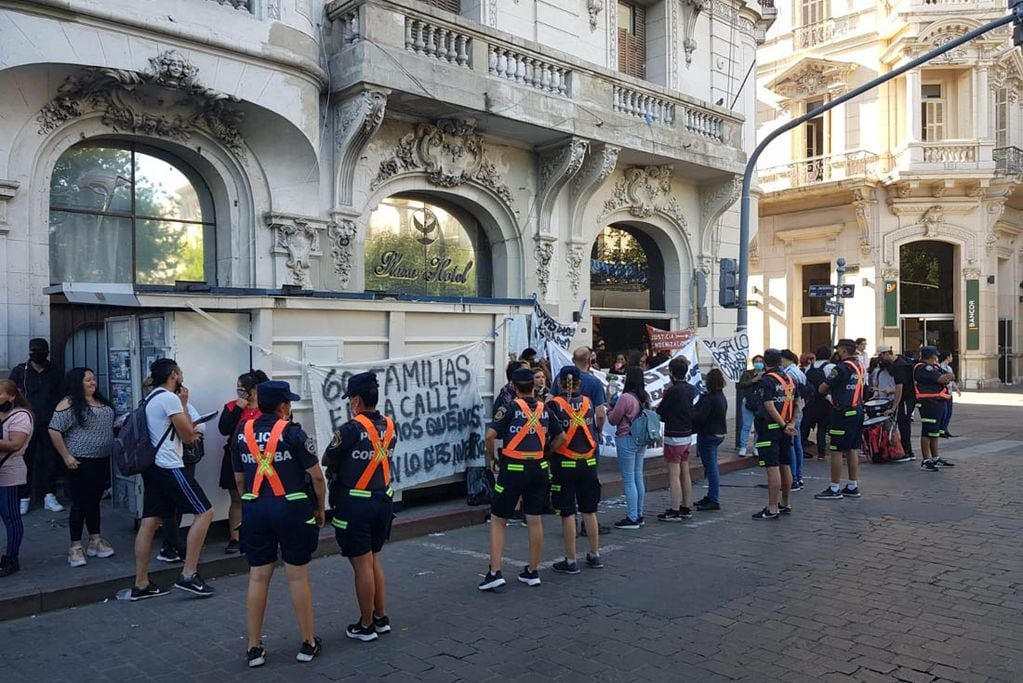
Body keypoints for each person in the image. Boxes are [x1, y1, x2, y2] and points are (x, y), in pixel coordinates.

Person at [234, 380, 325, 667]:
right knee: (297, 575)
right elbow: (317, 477)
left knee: (258, 576)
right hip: (292, 509)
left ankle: (254, 648)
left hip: (256, 509)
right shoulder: (294, 433)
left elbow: (239, 480)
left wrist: (252, 502)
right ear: (284, 407)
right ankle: (308, 643)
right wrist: (320, 509)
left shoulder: (242, 432)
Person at [130, 358, 215, 600]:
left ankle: (141, 583)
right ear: (174, 375)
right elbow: (188, 435)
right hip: (170, 465)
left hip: (153, 467)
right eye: (180, 371)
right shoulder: (169, 398)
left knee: (149, 522)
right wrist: (185, 404)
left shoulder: (151, 397)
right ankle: (189, 574)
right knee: (205, 513)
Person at [322, 372, 397, 640]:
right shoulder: (390, 425)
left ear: (356, 399)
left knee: (362, 565)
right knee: (374, 558)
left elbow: (327, 458)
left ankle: (365, 625)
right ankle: (380, 616)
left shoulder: (349, 429)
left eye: (350, 399)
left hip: (355, 504)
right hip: (382, 500)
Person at [479, 367, 564, 591]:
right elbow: (561, 437)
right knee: (534, 519)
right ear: (533, 386)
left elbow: (490, 435)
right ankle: (532, 571)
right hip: (539, 467)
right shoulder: (545, 409)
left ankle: (495, 572)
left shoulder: (510, 407)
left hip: (513, 467)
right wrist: (546, 453)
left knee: (499, 519)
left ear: (515, 387)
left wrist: (492, 458)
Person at [48, 368, 116, 568]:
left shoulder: (101, 402)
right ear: (77, 383)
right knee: (79, 503)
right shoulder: (68, 403)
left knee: (94, 501)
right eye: (88, 380)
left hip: (101, 459)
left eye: (94, 379)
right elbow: (54, 430)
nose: (92, 383)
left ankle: (95, 540)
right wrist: (66, 456)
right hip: (79, 461)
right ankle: (75, 546)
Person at [546, 366, 603, 573]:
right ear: (579, 383)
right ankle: (595, 554)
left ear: (560, 383)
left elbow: (550, 434)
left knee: (568, 512)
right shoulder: (587, 402)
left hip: (564, 464)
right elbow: (600, 417)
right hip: (588, 463)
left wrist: (548, 452)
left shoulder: (553, 405)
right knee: (590, 510)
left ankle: (570, 560)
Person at [7, 338, 64, 514]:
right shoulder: (19, 371)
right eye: (34, 351)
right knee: (24, 459)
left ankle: (49, 494)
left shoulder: (55, 372)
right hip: (26, 423)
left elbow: (62, 394)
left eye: (41, 351)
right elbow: (10, 394)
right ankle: (24, 497)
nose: (37, 355)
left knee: (50, 458)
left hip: (49, 422)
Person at [219, 370, 268, 554]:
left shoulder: (266, 409)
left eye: (242, 389)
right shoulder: (232, 407)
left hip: (262, 460)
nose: (239, 392)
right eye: (237, 389)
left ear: (254, 390)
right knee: (237, 499)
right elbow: (224, 429)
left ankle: (260, 533)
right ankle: (235, 538)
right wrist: (239, 406)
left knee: (262, 497)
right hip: (235, 458)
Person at [814, 339, 865, 500]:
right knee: (851, 449)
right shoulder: (859, 366)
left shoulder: (840, 368)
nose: (837, 352)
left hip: (842, 412)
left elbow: (822, 388)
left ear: (843, 350)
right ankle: (852, 485)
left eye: (838, 349)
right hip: (857, 410)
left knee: (836, 450)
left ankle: (834, 488)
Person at [751, 349, 798, 520]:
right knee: (785, 464)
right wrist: (791, 423)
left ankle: (772, 508)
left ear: (765, 362)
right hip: (786, 427)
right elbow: (797, 402)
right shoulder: (789, 378)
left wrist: (783, 424)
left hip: (770, 428)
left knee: (772, 467)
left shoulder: (766, 381)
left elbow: (769, 406)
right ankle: (785, 503)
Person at [607, 366, 649, 530]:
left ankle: (632, 518)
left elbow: (613, 419)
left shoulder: (625, 398)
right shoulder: (644, 396)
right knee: (638, 475)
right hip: (641, 439)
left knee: (629, 479)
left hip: (626, 438)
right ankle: (639, 514)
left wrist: (610, 405)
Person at [656, 357, 697, 522]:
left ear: (671, 373)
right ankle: (686, 506)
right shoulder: (691, 389)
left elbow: (662, 412)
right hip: (687, 434)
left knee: (674, 474)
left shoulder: (672, 391)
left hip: (674, 435)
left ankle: (674, 509)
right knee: (685, 471)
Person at [0, 379, 33, 577]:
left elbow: (15, 444)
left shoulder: (21, 416)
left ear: (12, 396)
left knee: (10, 515)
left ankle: (11, 557)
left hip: (10, 471)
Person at [914, 346, 955, 471]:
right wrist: (947, 378)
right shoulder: (923, 368)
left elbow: (948, 377)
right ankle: (926, 460)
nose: (936, 358)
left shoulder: (934, 367)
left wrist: (948, 378)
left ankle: (935, 458)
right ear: (931, 356)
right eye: (935, 356)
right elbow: (943, 378)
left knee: (935, 432)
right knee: (927, 431)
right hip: (928, 403)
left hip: (937, 402)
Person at [693, 369, 727, 511]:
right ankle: (711, 496)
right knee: (711, 466)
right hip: (719, 433)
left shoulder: (709, 398)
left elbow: (700, 417)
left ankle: (713, 499)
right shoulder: (721, 396)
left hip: (708, 434)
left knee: (711, 468)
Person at [780, 350, 807, 492]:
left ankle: (794, 478)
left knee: (791, 445)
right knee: (797, 445)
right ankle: (799, 477)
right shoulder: (799, 371)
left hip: (791, 413)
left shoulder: (789, 374)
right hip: (799, 411)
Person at [802, 347, 832, 460]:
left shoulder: (809, 367)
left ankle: (802, 449)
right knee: (822, 428)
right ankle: (821, 453)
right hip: (825, 400)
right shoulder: (830, 367)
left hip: (811, 401)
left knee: (806, 426)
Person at [891, 349, 917, 460]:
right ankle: (907, 451)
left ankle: (907, 452)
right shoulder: (903, 362)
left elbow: (899, 388)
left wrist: (894, 407)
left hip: (906, 399)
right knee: (904, 423)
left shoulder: (898, 366)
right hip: (910, 397)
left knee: (904, 424)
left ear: (887, 354)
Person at [736, 355, 765, 456]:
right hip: (748, 401)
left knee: (758, 427)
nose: (758, 363)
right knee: (746, 426)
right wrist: (754, 380)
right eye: (756, 361)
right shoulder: (747, 373)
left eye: (760, 361)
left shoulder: (766, 374)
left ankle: (756, 447)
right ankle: (743, 447)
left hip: (760, 403)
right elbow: (740, 385)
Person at [938, 351, 961, 438]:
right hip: (944, 392)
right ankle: (941, 430)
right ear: (947, 357)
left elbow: (952, 381)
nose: (952, 358)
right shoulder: (940, 367)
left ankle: (945, 429)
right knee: (944, 412)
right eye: (951, 356)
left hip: (950, 393)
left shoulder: (949, 368)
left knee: (949, 413)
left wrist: (957, 389)